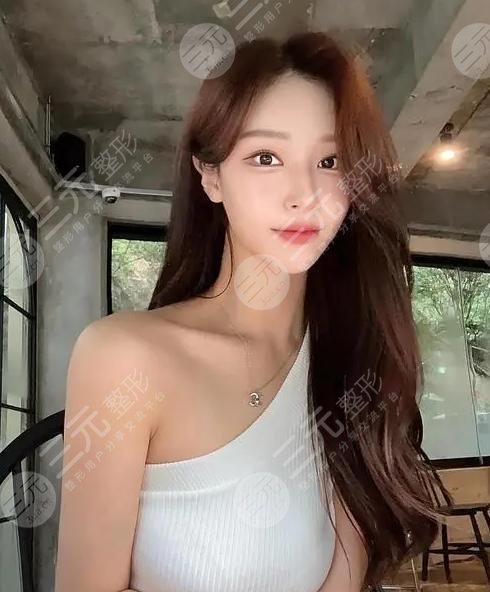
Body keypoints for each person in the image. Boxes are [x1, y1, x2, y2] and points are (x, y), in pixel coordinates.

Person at [54, 31, 447, 592]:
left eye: (330, 160)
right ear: (211, 175)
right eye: (266, 157)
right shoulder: (124, 359)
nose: (303, 193)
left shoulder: (351, 360)